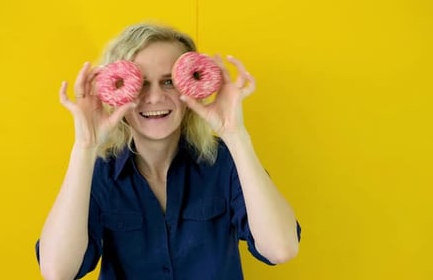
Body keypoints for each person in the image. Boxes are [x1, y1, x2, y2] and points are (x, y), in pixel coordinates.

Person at [35, 22, 301, 280]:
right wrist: (85, 147)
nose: (153, 97)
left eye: (169, 82)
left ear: (192, 85)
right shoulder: (98, 172)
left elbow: (281, 248)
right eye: (139, 84)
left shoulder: (224, 162)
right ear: (117, 91)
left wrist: (236, 135)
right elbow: (58, 271)